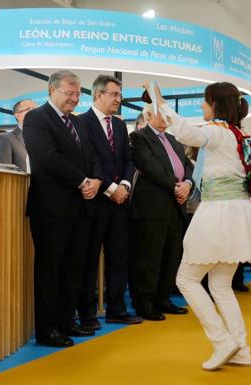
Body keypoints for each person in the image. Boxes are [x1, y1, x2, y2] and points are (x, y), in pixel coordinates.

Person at [147, 81, 251, 370]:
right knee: (221, 284)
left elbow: (185, 132)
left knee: (186, 278)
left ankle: (222, 342)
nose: (201, 106)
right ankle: (241, 348)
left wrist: (160, 101)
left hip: (218, 212)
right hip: (237, 212)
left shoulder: (217, 132)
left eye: (205, 101)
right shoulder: (237, 133)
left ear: (216, 104)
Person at [23, 70, 103, 347]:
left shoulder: (79, 123)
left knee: (73, 269)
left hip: (82, 208)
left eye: (78, 93)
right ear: (52, 91)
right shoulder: (36, 118)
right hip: (51, 209)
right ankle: (48, 329)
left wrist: (95, 180)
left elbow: (91, 156)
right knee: (50, 270)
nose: (74, 98)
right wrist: (82, 181)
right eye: (69, 93)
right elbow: (47, 157)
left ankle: (67, 321)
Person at [77, 75, 143, 330]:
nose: (119, 99)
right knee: (89, 260)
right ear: (98, 95)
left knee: (119, 258)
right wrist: (111, 188)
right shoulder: (81, 122)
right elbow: (89, 161)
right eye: (114, 94)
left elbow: (128, 159)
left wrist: (125, 185)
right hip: (95, 202)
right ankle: (87, 314)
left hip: (120, 203)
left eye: (119, 94)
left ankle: (117, 309)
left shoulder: (118, 125)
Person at [129, 101, 193, 321]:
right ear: (149, 116)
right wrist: (176, 186)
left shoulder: (175, 140)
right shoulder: (139, 137)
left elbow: (189, 167)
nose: (166, 120)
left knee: (171, 255)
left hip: (176, 205)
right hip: (152, 206)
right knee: (149, 256)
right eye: (162, 115)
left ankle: (164, 299)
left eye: (168, 116)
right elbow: (150, 166)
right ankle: (145, 303)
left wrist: (188, 184)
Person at [0, 98, 36, 171]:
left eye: (37, 109)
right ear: (18, 115)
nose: (36, 113)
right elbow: (3, 174)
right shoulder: (6, 138)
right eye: (30, 109)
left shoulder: (46, 137)